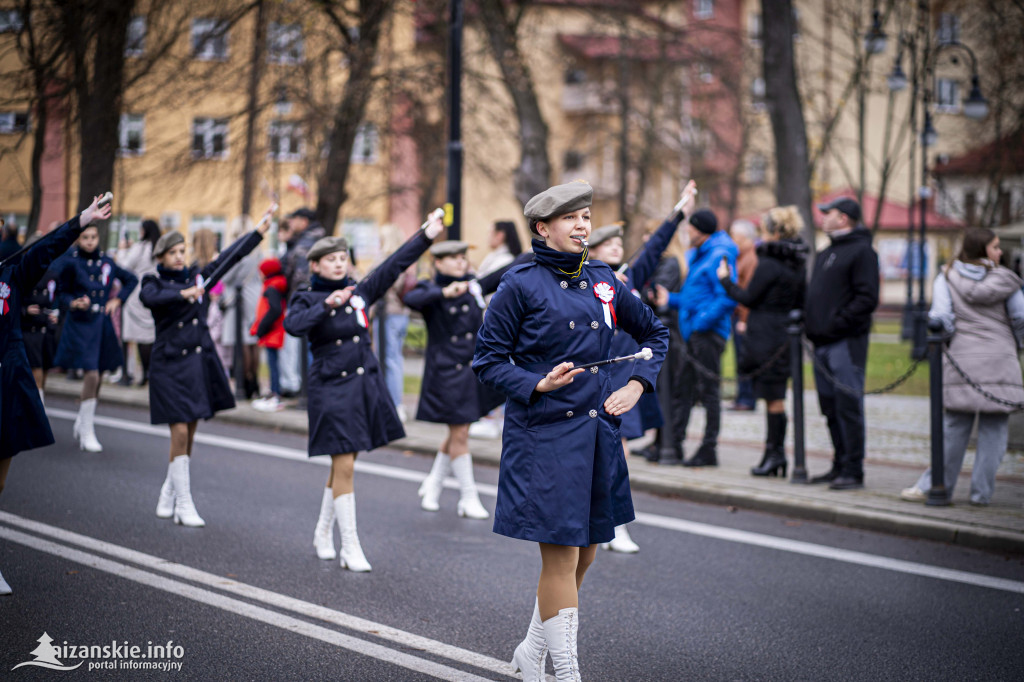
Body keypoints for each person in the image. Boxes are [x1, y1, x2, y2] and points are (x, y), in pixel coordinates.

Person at [473, 181, 668, 681]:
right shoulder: (519, 283)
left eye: (586, 217)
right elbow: (488, 361)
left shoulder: (603, 278)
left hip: (599, 433)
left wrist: (639, 387)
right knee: (560, 560)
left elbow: (654, 333)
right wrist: (536, 381)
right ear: (542, 227)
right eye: (571, 219)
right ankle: (567, 673)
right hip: (543, 434)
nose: (583, 226)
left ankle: (529, 651)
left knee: (586, 552)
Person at [283, 211, 444, 572]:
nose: (339, 264)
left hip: (361, 386)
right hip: (330, 386)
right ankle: (350, 546)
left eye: (343, 258)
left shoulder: (359, 291)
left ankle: (323, 531)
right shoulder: (307, 297)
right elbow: (293, 326)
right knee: (344, 465)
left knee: (346, 462)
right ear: (316, 265)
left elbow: (392, 266)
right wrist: (327, 304)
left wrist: (426, 235)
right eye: (331, 259)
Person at [0, 195, 112, 594]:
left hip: (8, 381)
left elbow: (47, 248)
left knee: (2, 469)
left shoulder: (12, 274)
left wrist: (81, 220)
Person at [140, 207, 274, 528]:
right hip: (170, 364)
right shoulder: (154, 281)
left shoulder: (199, 275)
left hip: (198, 363)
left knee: (191, 432)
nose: (178, 257)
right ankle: (184, 503)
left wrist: (258, 232)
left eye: (181, 251)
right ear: (160, 257)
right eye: (172, 253)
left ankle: (168, 490)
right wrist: (183, 292)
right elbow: (151, 297)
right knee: (180, 430)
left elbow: (231, 256)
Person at [585, 180, 697, 553]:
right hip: (598, 374)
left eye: (620, 243)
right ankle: (603, 521)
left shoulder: (628, 277)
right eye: (609, 244)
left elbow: (656, 246)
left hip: (626, 375)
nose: (618, 247)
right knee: (602, 450)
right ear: (594, 250)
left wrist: (680, 210)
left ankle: (615, 525)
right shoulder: (585, 280)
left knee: (620, 448)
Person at [901, 228, 1024, 506]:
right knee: (994, 429)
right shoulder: (1007, 280)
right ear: (982, 250)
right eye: (995, 247)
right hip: (1001, 360)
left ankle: (937, 485)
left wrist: (948, 342)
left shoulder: (947, 277)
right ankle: (981, 495)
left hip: (962, 360)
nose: (1000, 252)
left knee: (954, 427)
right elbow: (1020, 318)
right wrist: (1013, 345)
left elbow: (942, 318)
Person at [403, 240, 496, 521]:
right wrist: (444, 292)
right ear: (438, 263)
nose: (460, 262)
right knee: (460, 433)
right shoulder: (430, 289)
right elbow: (411, 299)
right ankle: (468, 496)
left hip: (470, 370)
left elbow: (506, 272)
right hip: (446, 371)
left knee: (458, 432)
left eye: (462, 257)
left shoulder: (472, 285)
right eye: (453, 258)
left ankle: (433, 484)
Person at [718, 206, 808, 477]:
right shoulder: (797, 262)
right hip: (784, 335)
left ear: (775, 231)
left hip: (767, 336)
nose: (761, 235)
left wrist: (725, 280)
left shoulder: (769, 263)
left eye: (765, 230)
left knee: (773, 399)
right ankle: (774, 455)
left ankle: (775, 454)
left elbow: (748, 297)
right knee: (775, 397)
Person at [805, 197, 879, 491]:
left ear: (844, 218)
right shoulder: (826, 253)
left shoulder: (862, 252)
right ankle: (838, 465)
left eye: (829, 213)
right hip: (821, 343)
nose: (823, 218)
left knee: (848, 405)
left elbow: (866, 298)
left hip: (845, 343)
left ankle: (853, 469)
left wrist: (836, 323)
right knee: (830, 407)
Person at [654, 209, 738, 467]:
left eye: (689, 228)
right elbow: (695, 297)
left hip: (708, 334)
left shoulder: (718, 255)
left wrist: (701, 322)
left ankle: (708, 449)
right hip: (694, 333)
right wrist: (672, 300)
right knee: (684, 389)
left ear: (700, 230)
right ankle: (674, 443)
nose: (686, 232)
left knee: (709, 393)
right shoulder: (700, 254)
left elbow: (727, 295)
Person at [54, 221, 139, 452]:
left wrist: (118, 299)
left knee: (100, 373)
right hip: (81, 324)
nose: (90, 241)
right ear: (78, 240)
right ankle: (87, 429)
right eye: (85, 237)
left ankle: (82, 420)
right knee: (91, 372)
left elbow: (131, 279)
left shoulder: (107, 261)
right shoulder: (71, 262)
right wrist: (73, 302)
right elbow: (59, 292)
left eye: (93, 237)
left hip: (101, 323)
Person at [279, 207, 326, 398]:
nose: (291, 223)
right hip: (310, 297)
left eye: (294, 219)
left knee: (303, 344)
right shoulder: (310, 238)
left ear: (304, 221)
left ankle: (307, 389)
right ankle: (308, 387)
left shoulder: (306, 242)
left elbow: (291, 270)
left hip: (303, 297)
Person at [20, 224, 65, 403]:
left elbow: (59, 297)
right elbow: (9, 301)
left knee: (45, 369)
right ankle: (37, 410)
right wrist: (24, 310)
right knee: (35, 370)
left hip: (47, 329)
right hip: (29, 330)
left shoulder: (52, 274)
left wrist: (57, 313)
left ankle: (39, 404)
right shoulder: (20, 273)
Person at [219, 219, 263, 398]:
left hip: (239, 297)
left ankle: (245, 382)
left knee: (243, 341)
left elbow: (225, 275)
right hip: (255, 295)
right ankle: (255, 382)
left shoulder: (238, 252)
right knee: (253, 341)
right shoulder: (258, 252)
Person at [115, 219, 160, 386]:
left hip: (135, 295)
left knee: (129, 336)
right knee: (146, 337)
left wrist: (122, 250)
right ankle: (147, 373)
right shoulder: (157, 248)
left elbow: (124, 266)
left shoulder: (140, 248)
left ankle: (126, 374)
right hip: (152, 294)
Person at [250, 257, 289, 412]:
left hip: (272, 331)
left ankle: (275, 393)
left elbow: (275, 310)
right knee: (274, 362)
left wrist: (262, 328)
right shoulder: (276, 285)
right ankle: (274, 392)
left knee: (273, 363)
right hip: (274, 330)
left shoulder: (271, 288)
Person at [728, 220, 758, 411]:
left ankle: (747, 398)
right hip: (737, 315)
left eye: (734, 235)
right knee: (740, 357)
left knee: (745, 357)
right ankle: (742, 395)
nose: (732, 239)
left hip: (743, 317)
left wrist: (744, 320)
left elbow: (749, 292)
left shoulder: (751, 258)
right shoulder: (741, 256)